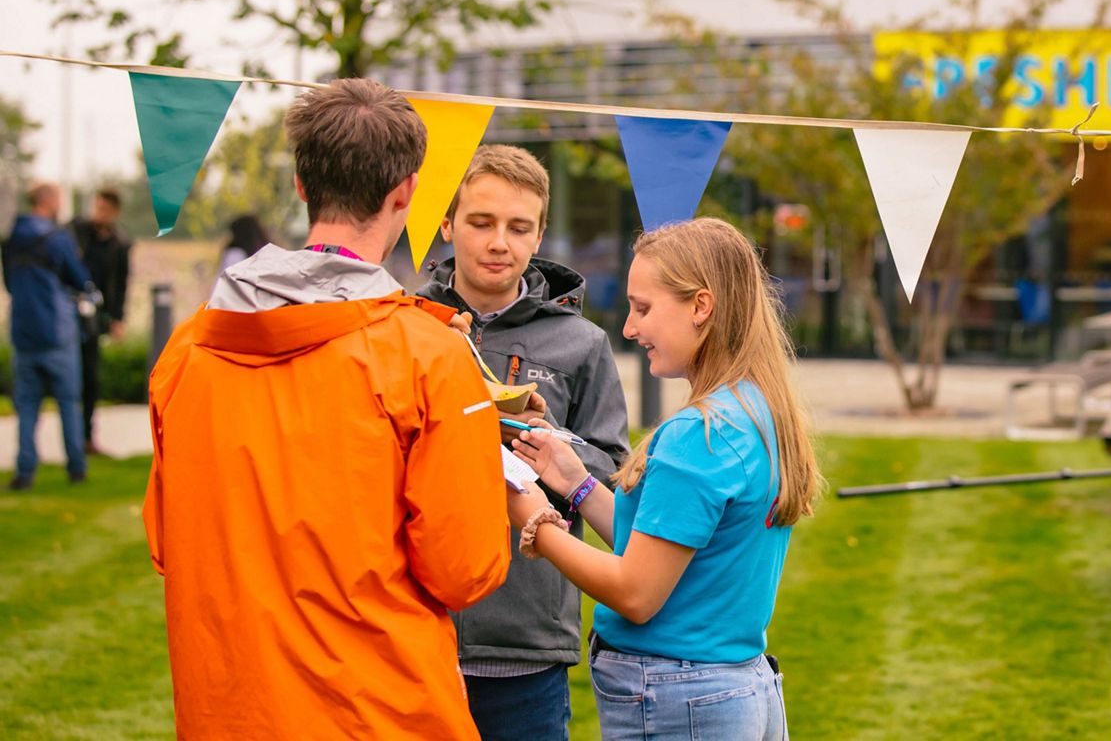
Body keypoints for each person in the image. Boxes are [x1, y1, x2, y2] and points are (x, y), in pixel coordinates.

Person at [143, 78, 512, 739]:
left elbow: (167, 539)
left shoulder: (185, 352)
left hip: (230, 710)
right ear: (407, 191)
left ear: (301, 184)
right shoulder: (430, 357)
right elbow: (465, 569)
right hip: (383, 712)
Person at [508, 217, 822, 741]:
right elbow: (664, 551)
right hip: (735, 689)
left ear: (701, 306)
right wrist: (576, 484)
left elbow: (635, 591)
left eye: (644, 308)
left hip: (681, 699)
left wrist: (530, 516)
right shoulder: (754, 410)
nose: (630, 329)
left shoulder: (698, 434)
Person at [416, 144, 630, 741]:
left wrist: (541, 442)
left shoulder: (581, 345)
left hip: (526, 641)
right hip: (413, 625)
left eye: (518, 227)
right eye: (480, 222)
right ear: (446, 223)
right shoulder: (403, 325)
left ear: (539, 236)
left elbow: (613, 472)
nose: (497, 243)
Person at [2, 182, 94, 490]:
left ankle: (25, 472)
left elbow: (10, 283)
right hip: (57, 332)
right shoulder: (57, 238)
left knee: (27, 406)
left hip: (23, 332)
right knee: (68, 402)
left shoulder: (12, 238)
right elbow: (80, 278)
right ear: (50, 201)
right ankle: (76, 467)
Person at [70, 187, 132, 456]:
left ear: (115, 212)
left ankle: (86, 437)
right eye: (97, 207)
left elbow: (120, 284)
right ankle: (72, 438)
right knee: (68, 377)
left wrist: (117, 318)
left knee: (91, 377)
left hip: (94, 318)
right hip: (70, 311)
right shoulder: (77, 232)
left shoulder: (119, 244)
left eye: (105, 209)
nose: (99, 214)